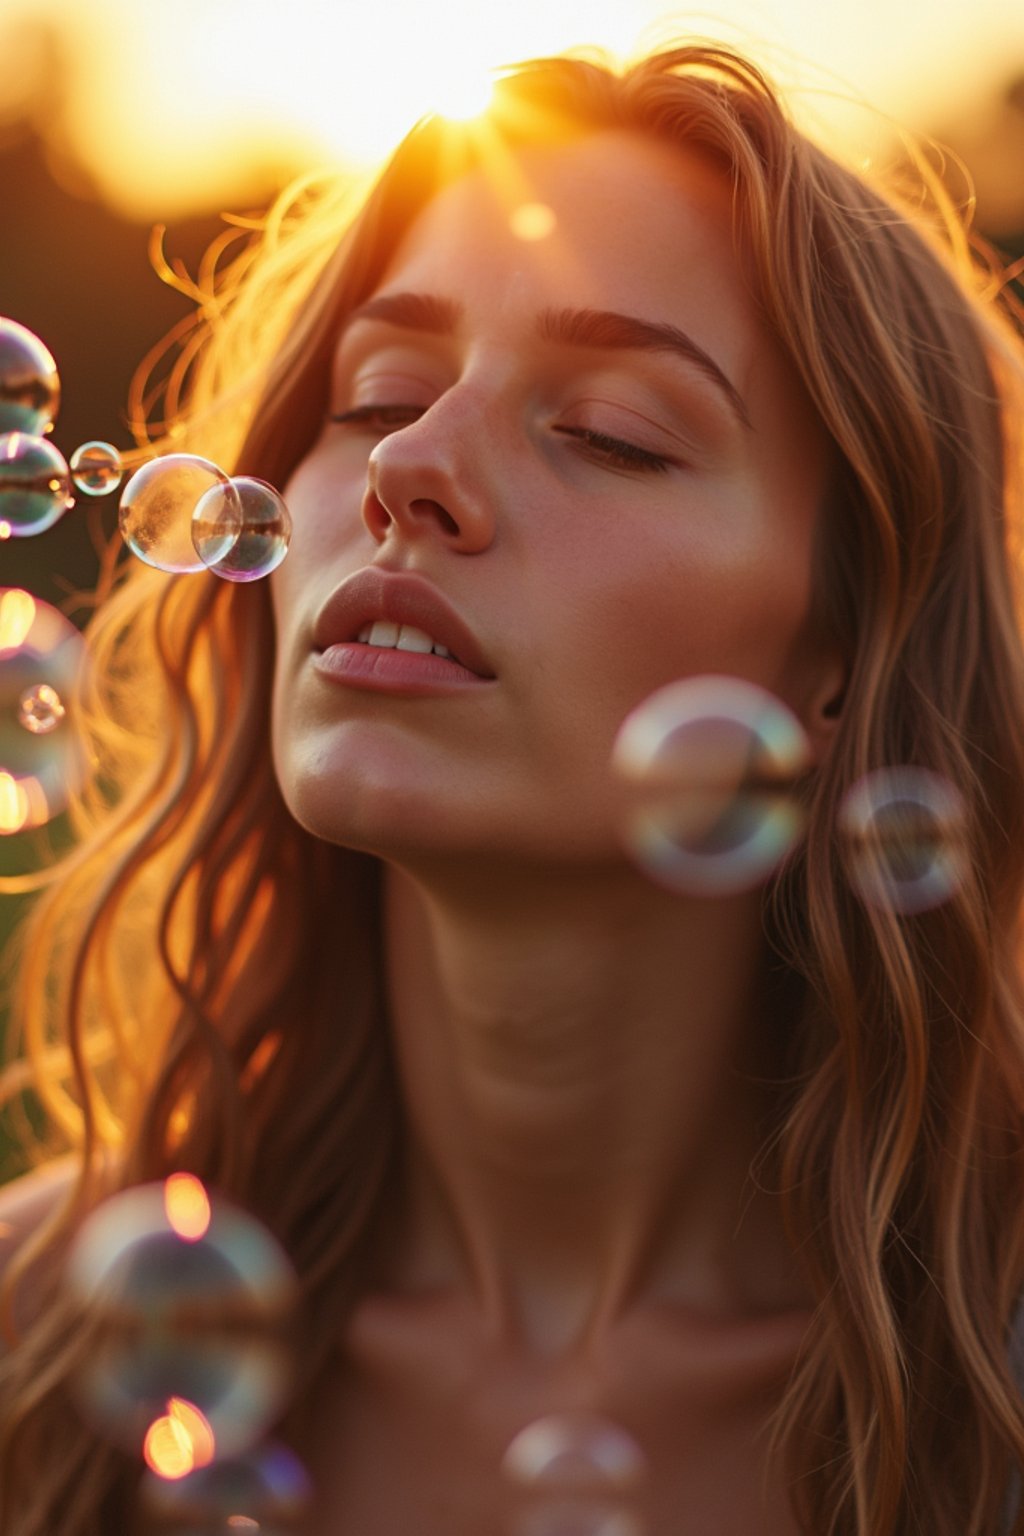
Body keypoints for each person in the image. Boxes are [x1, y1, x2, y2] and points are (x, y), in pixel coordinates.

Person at [1, 38, 1024, 1536]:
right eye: (373, 394)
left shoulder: (986, 1410)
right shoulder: (36, 1349)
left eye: (612, 432)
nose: (411, 464)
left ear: (847, 647)